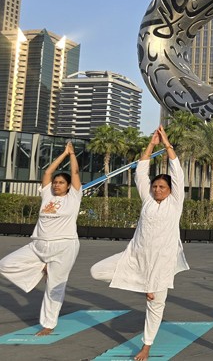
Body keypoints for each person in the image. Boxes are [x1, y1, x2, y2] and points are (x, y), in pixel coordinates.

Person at [90, 127, 188, 361]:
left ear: (170, 190)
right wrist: (151, 145)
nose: (156, 189)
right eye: (155, 186)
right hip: (135, 256)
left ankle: (146, 346)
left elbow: (178, 173)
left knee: (155, 306)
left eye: (161, 187)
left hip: (161, 263)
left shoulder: (175, 202)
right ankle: (141, 284)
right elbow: (140, 173)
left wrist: (167, 145)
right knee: (96, 271)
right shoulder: (147, 200)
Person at [0, 142, 81, 336]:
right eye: (55, 182)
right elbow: (46, 173)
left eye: (61, 182)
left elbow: (76, 173)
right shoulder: (47, 195)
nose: (56, 184)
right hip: (38, 245)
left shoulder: (74, 198)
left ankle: (48, 323)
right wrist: (62, 153)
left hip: (64, 246)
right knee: (5, 264)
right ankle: (39, 270)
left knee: (55, 286)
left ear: (68, 186)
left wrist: (72, 155)